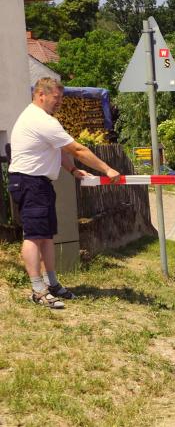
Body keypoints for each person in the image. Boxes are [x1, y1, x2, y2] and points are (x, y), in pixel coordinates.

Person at [7, 78, 120, 309]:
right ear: (41, 95)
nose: (59, 102)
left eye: (60, 98)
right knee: (33, 236)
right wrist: (107, 169)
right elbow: (77, 148)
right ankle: (38, 290)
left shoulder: (44, 119)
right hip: (29, 183)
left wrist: (72, 169)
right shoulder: (39, 119)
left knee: (46, 235)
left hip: (40, 183)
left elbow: (58, 149)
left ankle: (52, 283)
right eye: (56, 98)